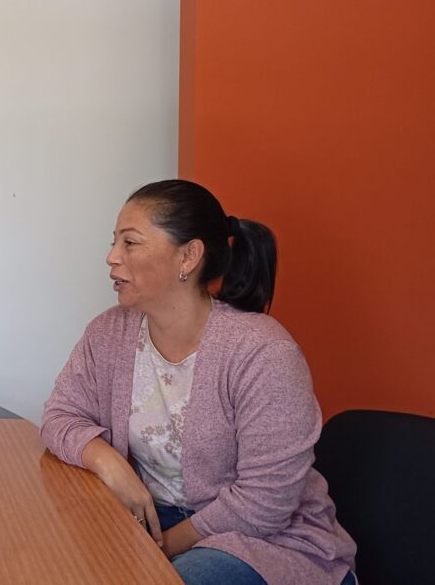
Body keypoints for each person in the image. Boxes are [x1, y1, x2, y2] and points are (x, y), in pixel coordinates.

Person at [41, 180, 356, 585]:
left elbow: (265, 502)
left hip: (266, 542)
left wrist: (159, 548)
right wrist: (110, 464)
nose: (112, 257)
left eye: (130, 243)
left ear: (188, 256)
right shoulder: (109, 332)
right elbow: (60, 415)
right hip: (155, 519)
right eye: (114, 242)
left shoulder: (263, 351)